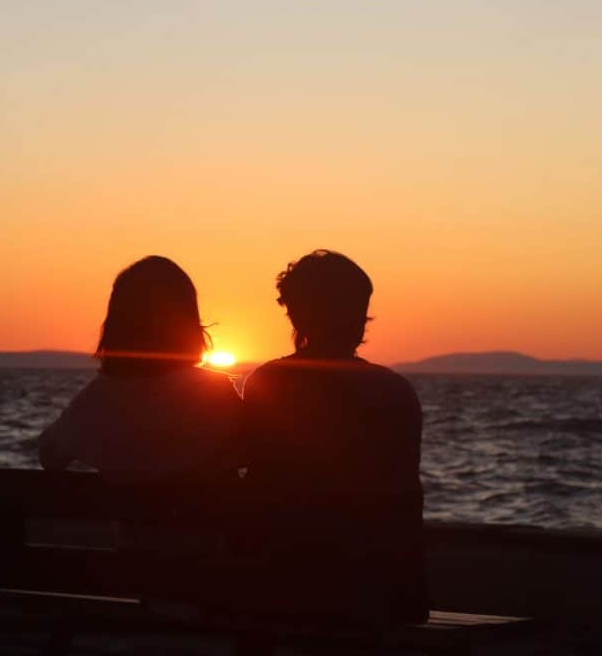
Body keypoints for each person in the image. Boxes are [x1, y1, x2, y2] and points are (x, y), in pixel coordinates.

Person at [241, 249, 426, 624]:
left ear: (294, 313)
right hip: (375, 590)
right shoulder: (393, 390)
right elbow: (405, 499)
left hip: (278, 583)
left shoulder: (267, 383)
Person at [39, 256, 241, 484]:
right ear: (187, 322)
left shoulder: (93, 402)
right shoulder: (216, 394)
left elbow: (49, 456)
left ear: (115, 325)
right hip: (201, 518)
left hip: (127, 519)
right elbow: (254, 453)